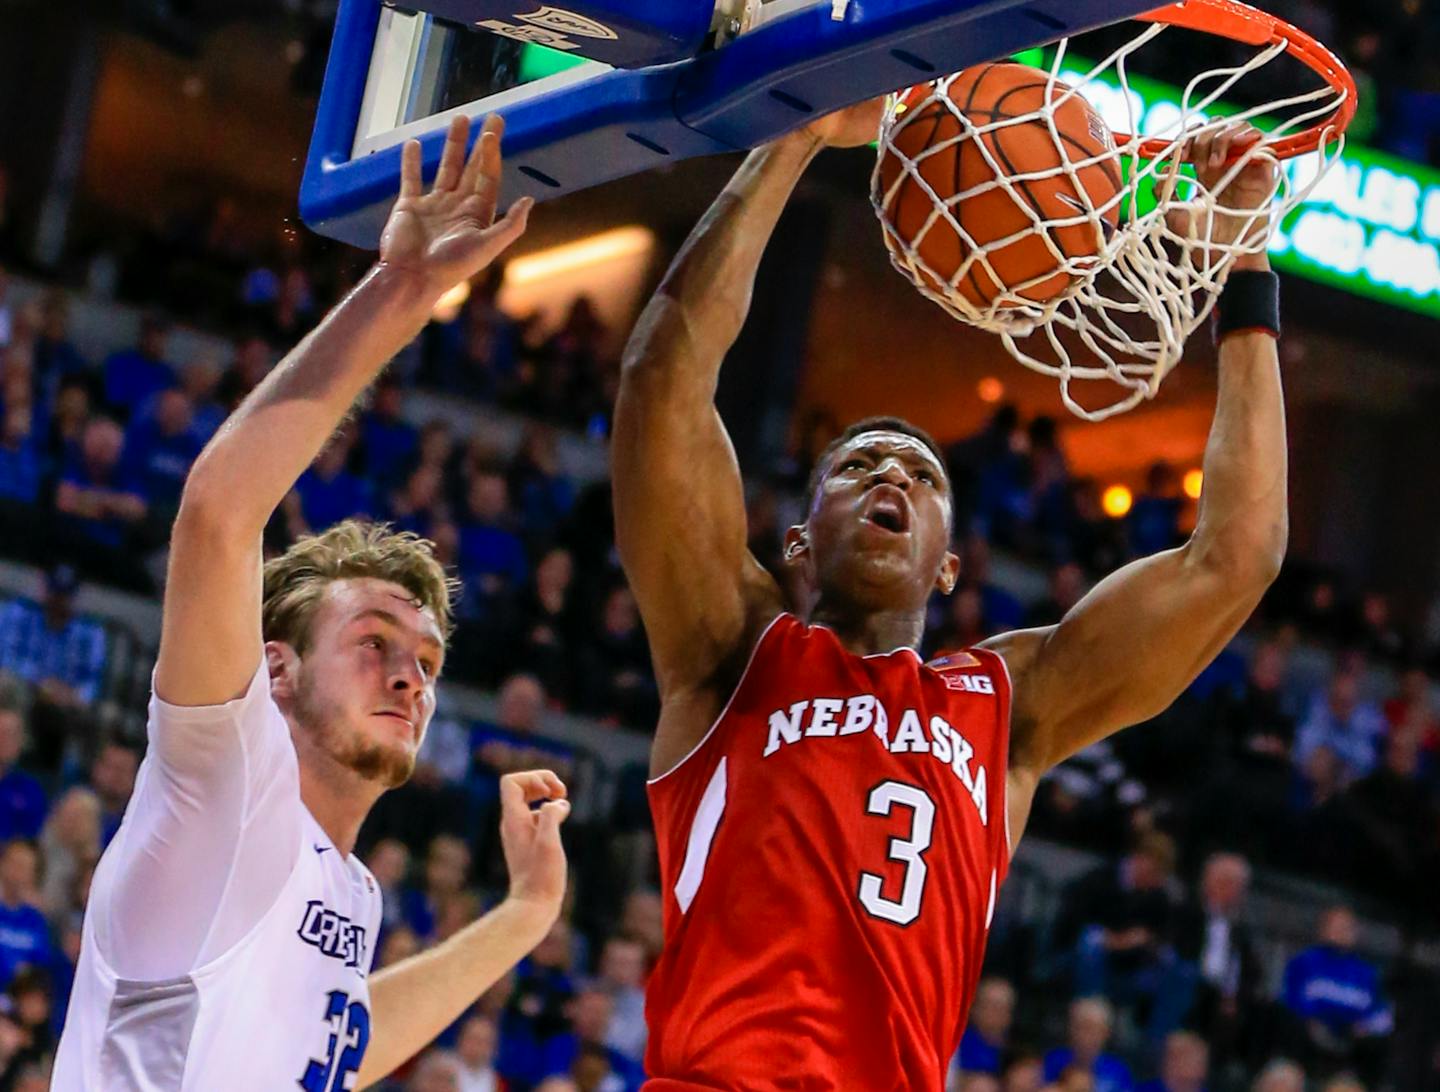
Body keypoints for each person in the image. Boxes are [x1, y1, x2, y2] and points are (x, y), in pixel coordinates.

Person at [613, 94, 1286, 1090]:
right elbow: (663, 373)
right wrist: (793, 136)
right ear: (797, 543)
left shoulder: (1006, 708)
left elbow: (1237, 557)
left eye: (922, 476)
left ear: (950, 565)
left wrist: (1245, 265)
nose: (892, 477)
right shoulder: (730, 648)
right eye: (859, 467)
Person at [51, 115, 569, 1090]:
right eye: (374, 641)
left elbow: (340, 1044)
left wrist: (524, 918)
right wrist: (404, 289)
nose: (410, 673)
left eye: (426, 659)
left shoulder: (351, 889)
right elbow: (216, 513)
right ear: (276, 669)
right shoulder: (224, 787)